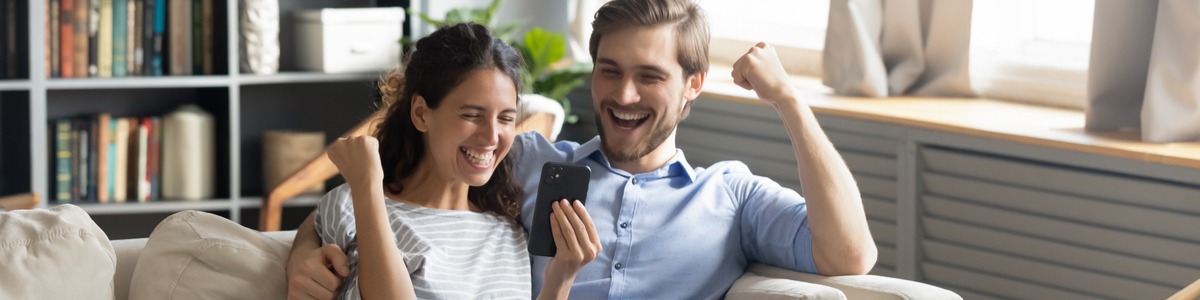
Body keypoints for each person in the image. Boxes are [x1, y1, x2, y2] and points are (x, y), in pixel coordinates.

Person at [288, 0, 877, 298]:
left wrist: (790, 103)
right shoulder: (529, 162)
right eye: (609, 70)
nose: (623, 95)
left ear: (693, 85)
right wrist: (304, 255)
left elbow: (850, 255)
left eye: (649, 75)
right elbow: (383, 185)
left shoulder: (729, 196)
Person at [311, 23, 601, 300]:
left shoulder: (507, 232)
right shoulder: (358, 204)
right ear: (422, 113)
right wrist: (367, 186)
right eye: (472, 115)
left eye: (506, 118)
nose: (491, 136)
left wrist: (560, 277)